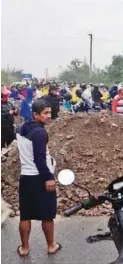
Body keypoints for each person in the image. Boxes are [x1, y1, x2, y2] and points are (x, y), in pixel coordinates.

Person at [16, 99, 61, 257]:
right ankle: (51, 245)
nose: (49, 116)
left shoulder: (22, 128)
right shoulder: (40, 133)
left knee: (25, 215)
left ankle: (24, 248)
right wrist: (48, 177)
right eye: (45, 113)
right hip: (40, 178)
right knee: (47, 214)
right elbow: (39, 158)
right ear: (35, 114)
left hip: (26, 178)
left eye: (50, 112)